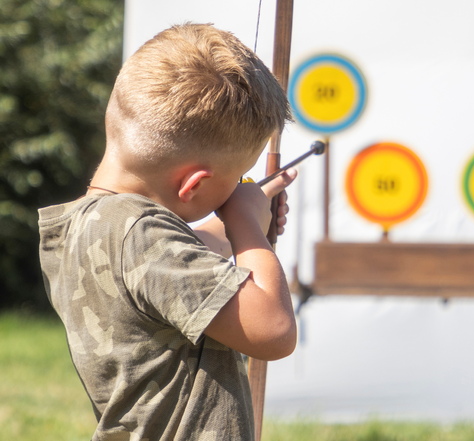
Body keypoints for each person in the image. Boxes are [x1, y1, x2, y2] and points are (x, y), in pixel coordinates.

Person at [38, 23, 297, 440]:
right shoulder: (142, 234)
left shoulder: (88, 226)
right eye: (235, 180)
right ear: (193, 185)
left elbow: (173, 264)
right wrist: (248, 224)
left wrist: (240, 220)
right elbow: (273, 331)